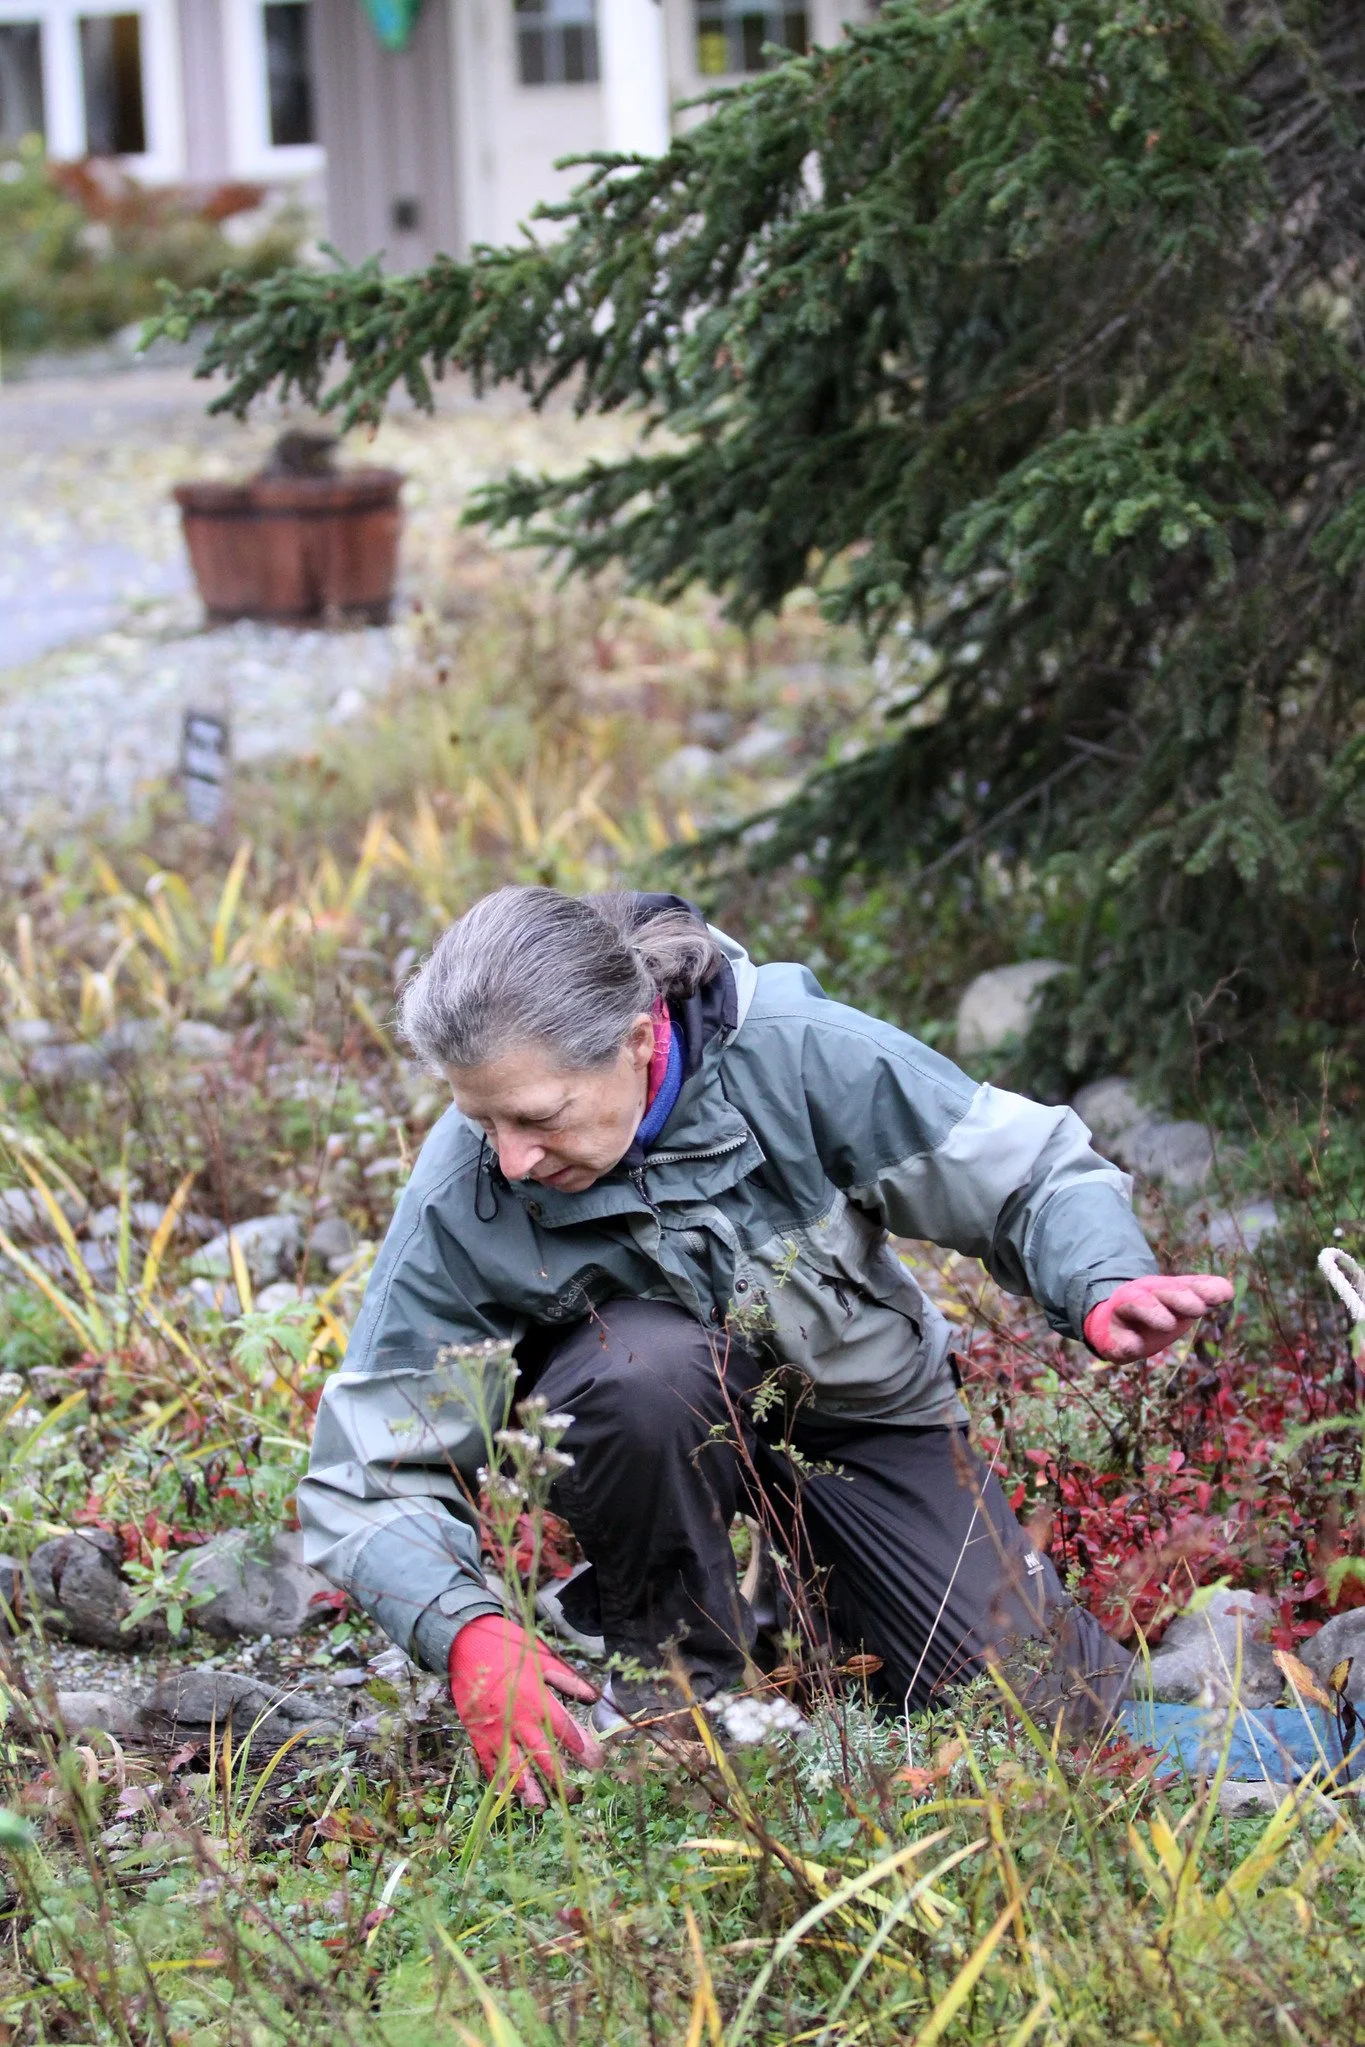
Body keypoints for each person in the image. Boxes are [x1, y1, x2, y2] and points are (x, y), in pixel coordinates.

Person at [299, 888, 1232, 1803]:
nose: (508, 1159)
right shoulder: (465, 1183)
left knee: (1041, 1707)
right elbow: (367, 1472)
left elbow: (1026, 1174)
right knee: (642, 1372)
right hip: (648, 1421)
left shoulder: (795, 1050)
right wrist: (464, 1629)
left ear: (637, 1038)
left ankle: (811, 1615)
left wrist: (1103, 1276)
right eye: (481, 1120)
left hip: (860, 1415)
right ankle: (673, 1692)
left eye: (538, 1117)